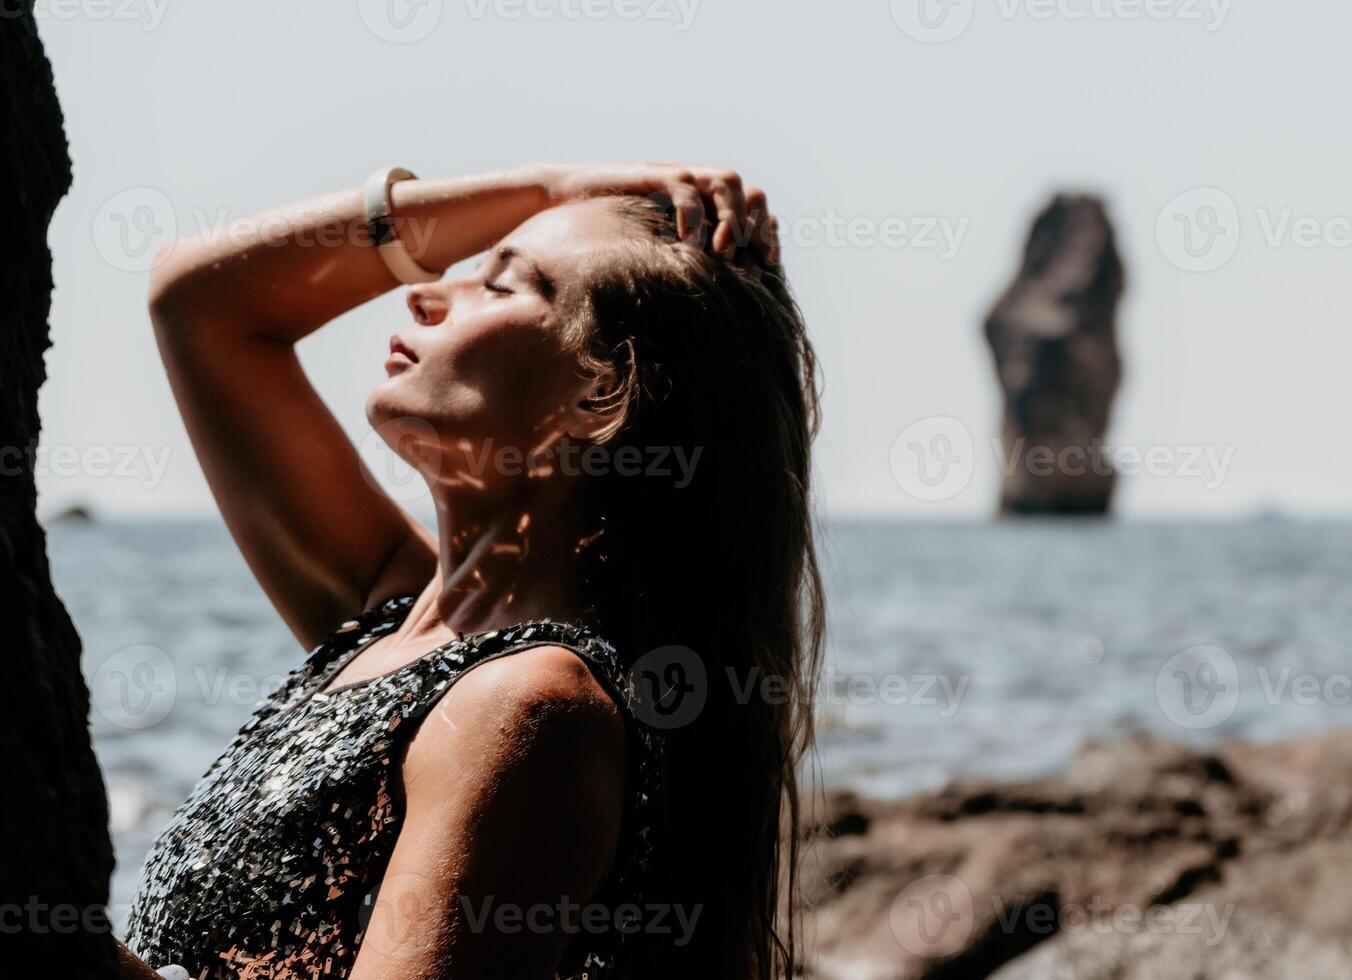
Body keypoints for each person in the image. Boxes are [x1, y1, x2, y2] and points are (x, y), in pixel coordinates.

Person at [113, 162, 824, 979]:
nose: (426, 293)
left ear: (600, 396)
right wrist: (557, 188)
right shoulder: (397, 621)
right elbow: (200, 301)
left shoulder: (525, 709)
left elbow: (204, 306)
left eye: (502, 285)